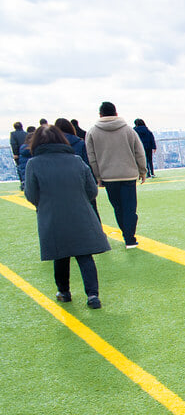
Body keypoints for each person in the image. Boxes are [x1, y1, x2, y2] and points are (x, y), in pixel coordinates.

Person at [24, 125, 110, 309]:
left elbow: (31, 194)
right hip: (80, 214)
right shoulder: (76, 161)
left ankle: (64, 292)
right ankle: (93, 295)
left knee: (60, 255)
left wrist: (46, 205)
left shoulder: (34, 164)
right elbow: (92, 190)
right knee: (85, 256)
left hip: (52, 217)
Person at [85, 101, 146, 247]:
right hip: (129, 175)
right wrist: (142, 171)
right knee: (130, 208)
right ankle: (130, 237)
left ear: (100, 114)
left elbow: (91, 157)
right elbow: (139, 152)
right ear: (116, 113)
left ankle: (126, 233)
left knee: (118, 208)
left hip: (108, 177)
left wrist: (98, 176)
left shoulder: (92, 132)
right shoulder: (128, 130)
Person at [10, 122, 27, 187]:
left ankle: (23, 183)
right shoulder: (26, 134)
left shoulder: (13, 134)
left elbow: (13, 144)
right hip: (28, 152)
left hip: (19, 154)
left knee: (20, 168)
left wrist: (15, 154)